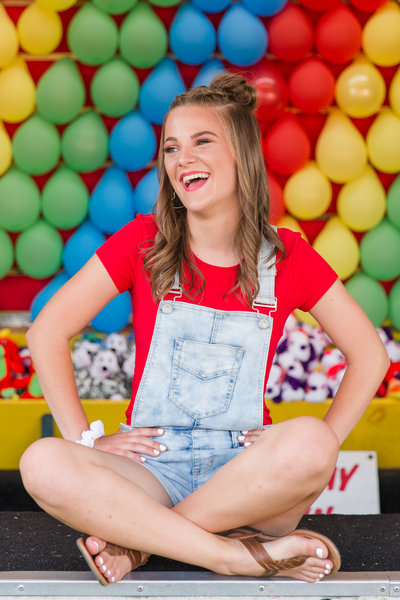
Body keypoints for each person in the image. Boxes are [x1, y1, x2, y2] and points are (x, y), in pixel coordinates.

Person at [20, 73, 389, 586]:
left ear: (242, 155)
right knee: (42, 462)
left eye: (201, 142)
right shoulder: (143, 241)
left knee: (313, 441)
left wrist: (320, 452)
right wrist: (84, 440)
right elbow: (47, 331)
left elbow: (370, 357)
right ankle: (234, 554)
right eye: (171, 147)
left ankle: (141, 544)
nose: (181, 159)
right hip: (150, 471)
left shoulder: (288, 258)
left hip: (248, 479)